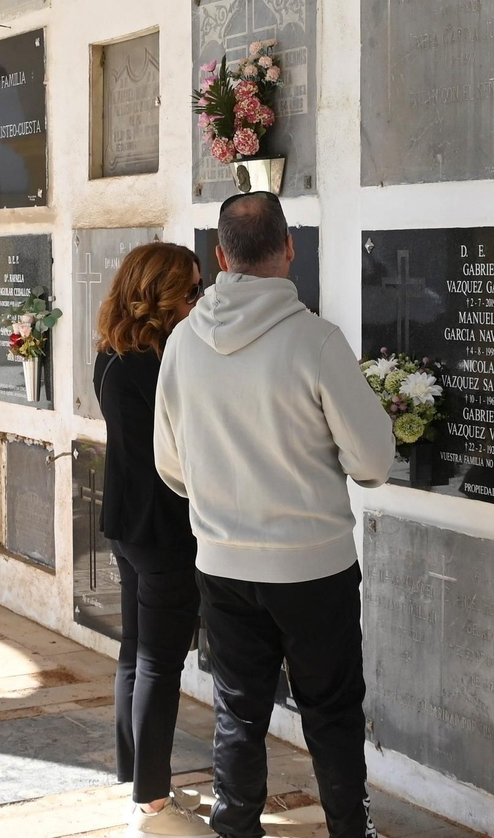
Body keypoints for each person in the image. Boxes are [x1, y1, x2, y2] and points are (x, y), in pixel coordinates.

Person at [154, 192, 395, 838]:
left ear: (220, 256)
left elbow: (170, 465)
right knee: (331, 710)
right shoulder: (315, 341)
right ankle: (349, 831)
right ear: (289, 248)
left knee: (238, 710)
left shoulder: (181, 343)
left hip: (223, 564)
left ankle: (235, 828)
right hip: (312, 568)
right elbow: (373, 461)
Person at [93, 242, 214, 837]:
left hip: (127, 523)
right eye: (191, 291)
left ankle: (135, 777)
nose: (200, 300)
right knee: (160, 665)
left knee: (136, 653)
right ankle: (153, 804)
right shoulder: (160, 363)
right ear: (158, 294)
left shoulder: (112, 354)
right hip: (165, 529)